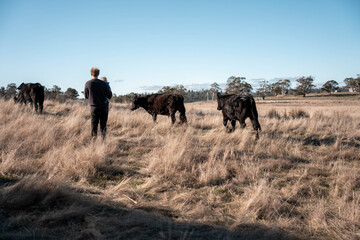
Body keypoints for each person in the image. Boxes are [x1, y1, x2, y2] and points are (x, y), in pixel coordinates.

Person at [84, 68, 112, 139]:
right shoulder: (103, 84)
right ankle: (103, 142)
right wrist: (109, 90)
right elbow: (109, 96)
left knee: (94, 125)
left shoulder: (88, 83)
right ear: (98, 74)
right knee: (103, 125)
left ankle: (94, 141)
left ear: (91, 74)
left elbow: (86, 96)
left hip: (93, 107)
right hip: (103, 107)